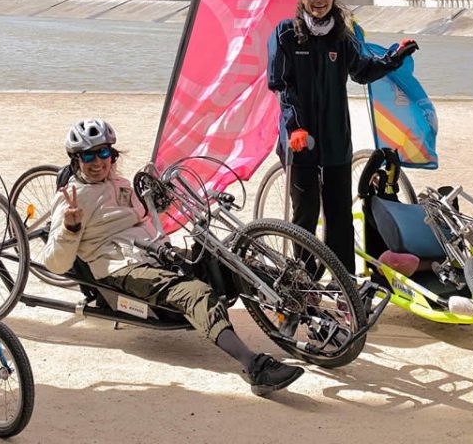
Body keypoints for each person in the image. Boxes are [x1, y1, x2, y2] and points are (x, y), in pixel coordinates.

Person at [41, 119, 304, 396]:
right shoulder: (71, 199)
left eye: (103, 153)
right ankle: (254, 367)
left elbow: (148, 221)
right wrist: (71, 228)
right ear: (76, 160)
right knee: (196, 293)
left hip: (155, 252)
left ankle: (307, 310)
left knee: (231, 258)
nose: (97, 162)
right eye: (88, 156)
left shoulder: (121, 185)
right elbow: (55, 263)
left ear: (112, 155)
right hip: (120, 267)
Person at [267, 0, 418, 269]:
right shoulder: (285, 34)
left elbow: (362, 71)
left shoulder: (342, 37)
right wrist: (295, 127)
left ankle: (345, 288)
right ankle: (304, 285)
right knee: (305, 216)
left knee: (339, 217)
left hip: (336, 141)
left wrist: (394, 58)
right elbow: (280, 85)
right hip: (300, 142)